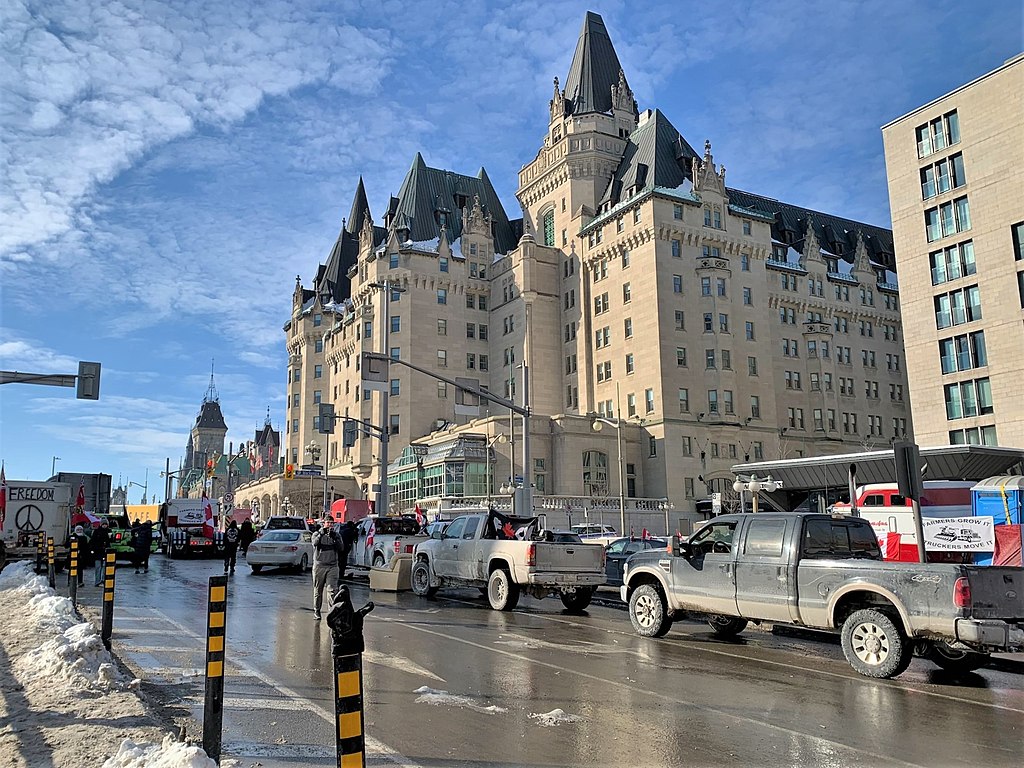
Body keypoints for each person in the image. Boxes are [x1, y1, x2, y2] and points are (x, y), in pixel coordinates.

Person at [311, 522, 344, 620]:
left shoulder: (336, 535)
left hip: (332, 566)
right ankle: (317, 610)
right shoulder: (317, 534)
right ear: (323, 524)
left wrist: (335, 538)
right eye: (327, 523)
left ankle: (332, 612)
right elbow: (314, 543)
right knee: (318, 590)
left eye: (331, 523)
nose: (329, 525)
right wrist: (321, 534)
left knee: (332, 591)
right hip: (319, 566)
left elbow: (341, 548)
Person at [91, 520, 111, 586]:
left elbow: (109, 542)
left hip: (105, 552)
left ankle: (103, 580)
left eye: (106, 524)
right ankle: (97, 581)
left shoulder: (108, 532)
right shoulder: (96, 532)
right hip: (98, 552)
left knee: (105, 567)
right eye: (103, 524)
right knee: (98, 567)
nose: (104, 525)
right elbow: (93, 541)